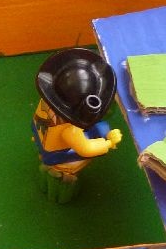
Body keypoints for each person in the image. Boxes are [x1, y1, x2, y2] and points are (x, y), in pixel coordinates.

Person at [31, 48, 122, 203]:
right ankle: (62, 197)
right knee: (64, 186)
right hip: (62, 163)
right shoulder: (69, 129)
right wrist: (108, 143)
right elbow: (86, 149)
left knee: (47, 172)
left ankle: (48, 181)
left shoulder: (47, 104)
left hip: (44, 143)